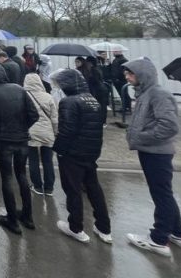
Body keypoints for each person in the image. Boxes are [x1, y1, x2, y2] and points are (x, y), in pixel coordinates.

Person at [122, 58, 181, 257]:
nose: (127, 76)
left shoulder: (158, 94)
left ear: (143, 75)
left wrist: (140, 137)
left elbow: (169, 126)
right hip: (150, 151)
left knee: (161, 195)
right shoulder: (144, 94)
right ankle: (178, 233)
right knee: (163, 192)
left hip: (157, 153)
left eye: (131, 73)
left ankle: (158, 239)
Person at [52, 68, 112, 244]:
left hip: (72, 153)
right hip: (91, 152)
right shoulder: (92, 100)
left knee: (73, 189)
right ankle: (104, 228)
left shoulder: (68, 102)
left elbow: (67, 130)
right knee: (94, 188)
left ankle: (75, 227)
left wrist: (59, 150)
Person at [0, 64, 39, 235]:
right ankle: (27, 217)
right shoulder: (19, 89)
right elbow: (34, 114)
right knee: (22, 175)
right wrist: (22, 129)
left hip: (3, 141)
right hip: (22, 139)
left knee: (7, 178)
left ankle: (12, 219)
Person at [24, 73, 58, 196]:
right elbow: (54, 118)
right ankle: (49, 188)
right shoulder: (48, 97)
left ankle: (37, 186)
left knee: (33, 160)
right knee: (48, 160)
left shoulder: (24, 96)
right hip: (47, 132)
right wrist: (55, 132)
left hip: (31, 131)